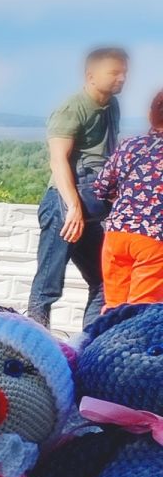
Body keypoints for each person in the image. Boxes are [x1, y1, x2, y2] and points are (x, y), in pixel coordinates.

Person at [31, 46, 128, 328]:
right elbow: (58, 160)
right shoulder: (72, 108)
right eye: (114, 72)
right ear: (91, 75)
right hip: (64, 203)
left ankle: (86, 348)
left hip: (91, 208)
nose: (121, 78)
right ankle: (35, 348)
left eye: (124, 73)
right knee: (48, 286)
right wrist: (72, 207)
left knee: (103, 281)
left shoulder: (112, 106)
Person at [95, 87, 163, 307]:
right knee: (138, 316)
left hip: (116, 236)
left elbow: (102, 187)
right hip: (153, 240)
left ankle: (103, 341)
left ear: (150, 115)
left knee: (113, 310)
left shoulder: (129, 145)